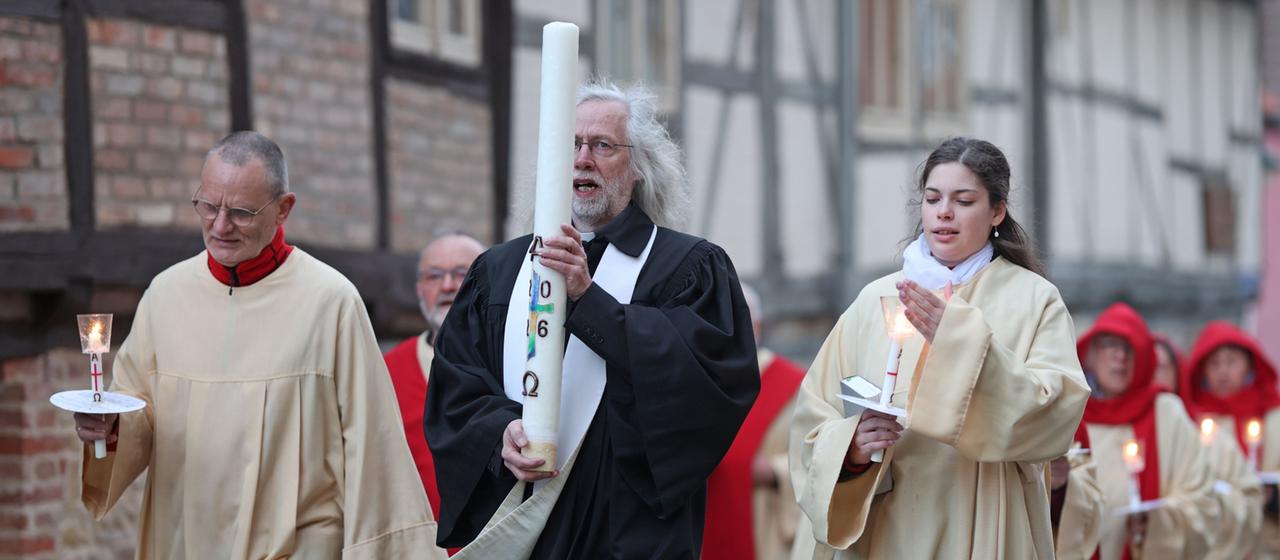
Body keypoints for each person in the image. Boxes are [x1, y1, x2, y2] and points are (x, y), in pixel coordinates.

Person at [423, 80, 760, 558]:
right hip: (525, 523)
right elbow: (456, 387)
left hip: (627, 530)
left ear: (639, 167)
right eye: (572, 145)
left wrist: (589, 300)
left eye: (602, 145)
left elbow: (707, 384)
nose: (583, 159)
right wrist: (500, 431)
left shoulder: (690, 268)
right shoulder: (497, 273)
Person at [72, 131, 441, 558]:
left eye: (242, 212)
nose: (220, 225)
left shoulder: (330, 302)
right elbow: (138, 409)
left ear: (284, 208)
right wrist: (111, 429)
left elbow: (373, 444)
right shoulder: (165, 296)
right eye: (208, 206)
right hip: (187, 542)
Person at [789, 137, 1091, 558]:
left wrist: (962, 345)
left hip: (982, 510)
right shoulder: (874, 301)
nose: (944, 212)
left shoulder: (1035, 299)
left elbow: (1055, 413)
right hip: (886, 526)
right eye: (932, 199)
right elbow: (814, 415)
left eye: (963, 200)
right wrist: (852, 448)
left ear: (997, 211)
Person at [1079, 302, 1216, 559]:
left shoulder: (1166, 412)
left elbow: (1203, 501)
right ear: (1091, 353)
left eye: (1129, 347)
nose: (1120, 355)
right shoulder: (1072, 411)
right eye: (1110, 344)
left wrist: (1158, 523)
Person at [384, 231, 485, 525]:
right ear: (419, 289)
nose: (448, 286)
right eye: (434, 276)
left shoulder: (519, 363)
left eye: (461, 274)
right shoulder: (387, 370)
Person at [703, 283, 805, 560]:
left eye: (738, 319)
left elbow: (821, 455)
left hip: (765, 521)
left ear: (757, 326)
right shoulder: (693, 384)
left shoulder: (797, 386)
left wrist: (775, 471)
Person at [1178, 321, 1278, 558]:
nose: (1223, 371)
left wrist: (1274, 498)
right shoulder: (1193, 422)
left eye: (1232, 361)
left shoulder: (1274, 417)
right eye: (1214, 364)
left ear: (1249, 365)